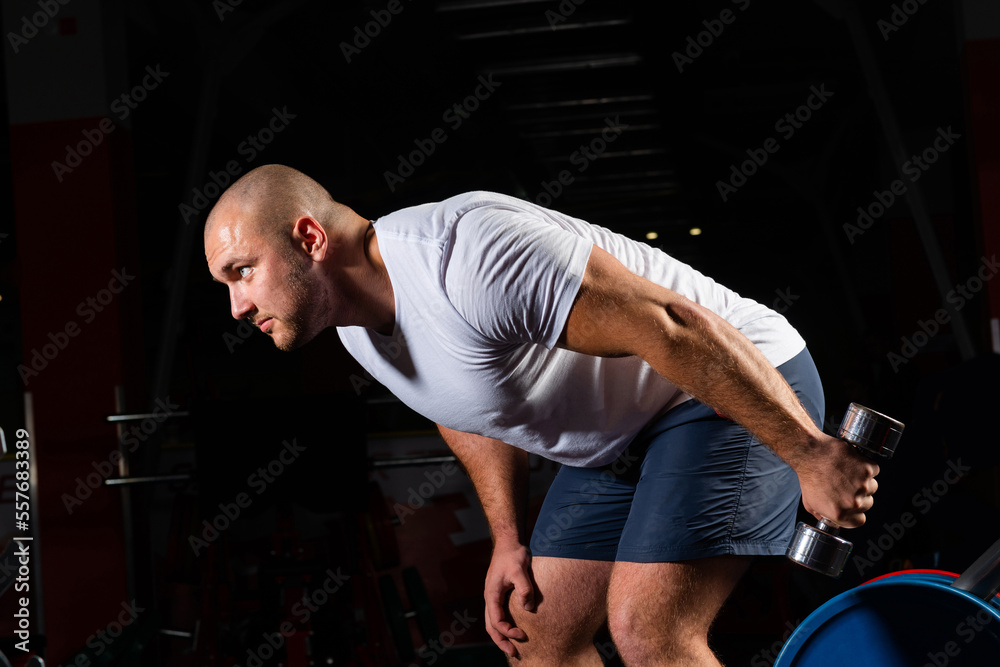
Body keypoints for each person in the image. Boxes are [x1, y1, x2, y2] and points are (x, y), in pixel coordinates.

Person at [204, 164, 879, 666]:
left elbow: (674, 325)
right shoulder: (355, 326)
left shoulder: (463, 258)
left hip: (727, 380)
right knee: (540, 641)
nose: (236, 306)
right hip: (624, 435)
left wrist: (807, 451)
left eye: (242, 271)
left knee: (648, 632)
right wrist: (507, 536)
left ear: (310, 237)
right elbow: (462, 404)